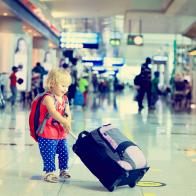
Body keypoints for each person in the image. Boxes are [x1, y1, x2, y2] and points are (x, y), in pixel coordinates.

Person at [36, 68, 72, 183]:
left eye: (67, 86)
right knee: (49, 153)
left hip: (60, 132)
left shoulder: (65, 99)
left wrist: (68, 121)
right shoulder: (48, 98)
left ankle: (63, 169)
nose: (65, 89)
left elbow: (68, 112)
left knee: (64, 152)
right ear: (52, 84)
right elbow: (53, 112)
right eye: (63, 86)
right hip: (47, 132)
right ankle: (49, 172)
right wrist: (64, 121)